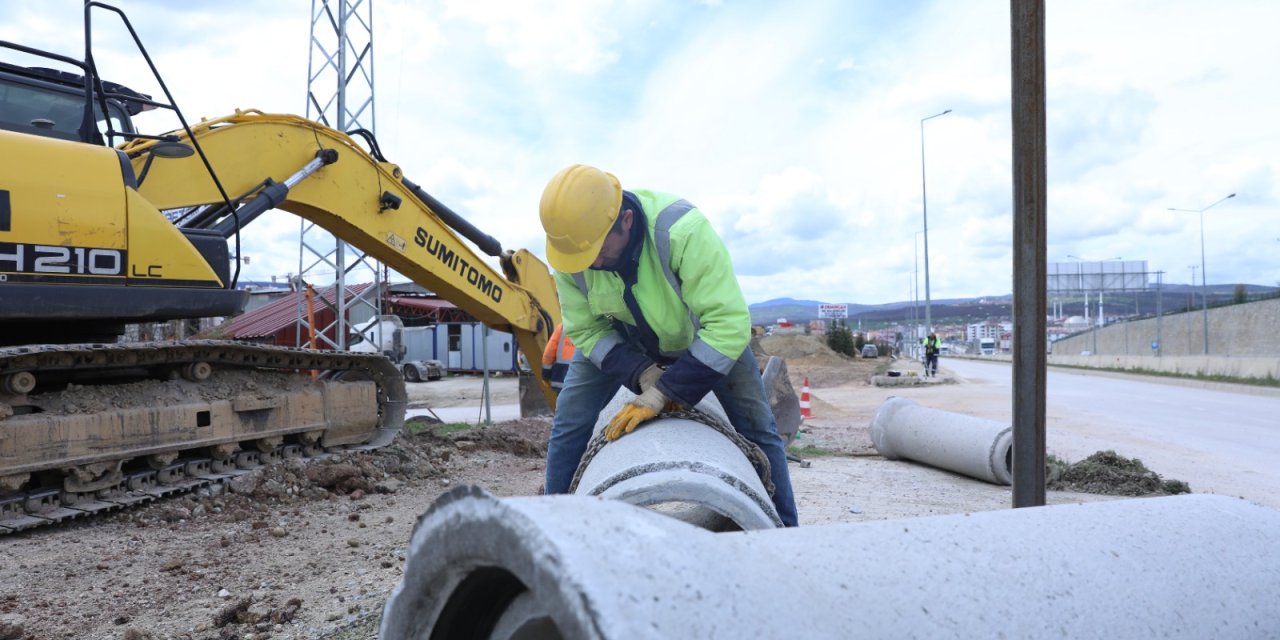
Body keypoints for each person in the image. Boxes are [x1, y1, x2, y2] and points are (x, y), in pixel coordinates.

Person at [538, 164, 799, 527]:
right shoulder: (573, 254)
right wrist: (641, 373)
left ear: (626, 220)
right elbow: (585, 329)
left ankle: (784, 532)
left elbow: (727, 324)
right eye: (583, 258)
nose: (592, 263)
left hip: (702, 337)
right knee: (569, 422)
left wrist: (664, 392)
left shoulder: (681, 231)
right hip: (624, 337)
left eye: (599, 250)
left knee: (758, 429)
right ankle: (556, 527)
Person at [540, 322, 576, 396]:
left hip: (562, 379)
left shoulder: (563, 327)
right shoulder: (596, 326)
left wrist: (545, 375)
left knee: (564, 406)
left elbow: (549, 353)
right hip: (586, 383)